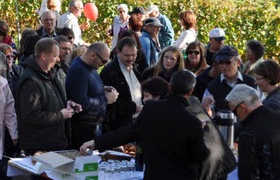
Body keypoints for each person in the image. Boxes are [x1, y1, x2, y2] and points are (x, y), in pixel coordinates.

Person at [81, 70, 210, 180]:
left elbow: (127, 133)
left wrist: (96, 142)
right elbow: (200, 155)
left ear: (170, 86)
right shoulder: (192, 122)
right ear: (191, 91)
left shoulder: (151, 108)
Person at [16, 38, 80, 155]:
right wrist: (60, 115)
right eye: (55, 56)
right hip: (40, 145)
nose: (58, 59)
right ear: (44, 56)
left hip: (56, 140)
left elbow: (52, 100)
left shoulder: (53, 73)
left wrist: (68, 104)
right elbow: (31, 116)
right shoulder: (30, 81)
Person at [66, 42, 119, 149]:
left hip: (94, 124)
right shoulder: (79, 70)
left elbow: (89, 86)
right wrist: (105, 99)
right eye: (103, 61)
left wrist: (103, 88)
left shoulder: (89, 66)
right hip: (85, 128)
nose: (104, 64)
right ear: (93, 55)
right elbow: (81, 102)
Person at [226, 84, 280, 179]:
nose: (236, 116)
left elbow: (247, 175)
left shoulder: (248, 134)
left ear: (242, 107)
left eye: (234, 111)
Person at [100, 37, 144, 131]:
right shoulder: (109, 72)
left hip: (138, 120)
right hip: (120, 125)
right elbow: (109, 103)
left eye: (133, 55)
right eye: (127, 55)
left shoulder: (136, 68)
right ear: (118, 53)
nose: (131, 58)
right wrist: (133, 108)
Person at [202, 45, 256, 116]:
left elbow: (261, 108)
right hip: (222, 126)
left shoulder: (251, 83)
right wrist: (206, 108)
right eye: (220, 62)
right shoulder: (212, 86)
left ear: (238, 62)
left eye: (228, 62)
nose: (224, 66)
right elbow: (208, 116)